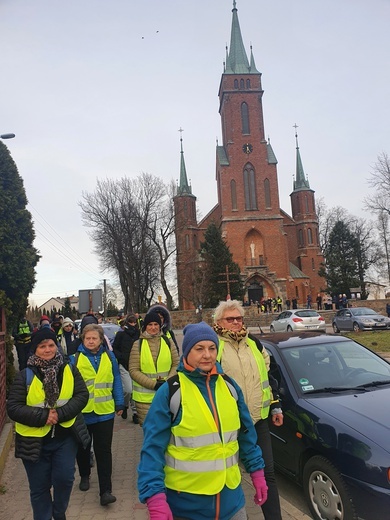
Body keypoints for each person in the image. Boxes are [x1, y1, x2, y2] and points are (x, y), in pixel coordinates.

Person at [138, 321, 268, 520]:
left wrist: (257, 473)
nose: (207, 355)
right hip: (186, 507)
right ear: (187, 352)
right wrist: (154, 497)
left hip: (232, 504)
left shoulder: (230, 387)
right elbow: (152, 449)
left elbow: (246, 436)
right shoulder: (172, 392)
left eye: (212, 348)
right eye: (199, 349)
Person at [6, 328, 90, 520]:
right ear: (34, 349)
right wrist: (43, 416)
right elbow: (14, 408)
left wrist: (58, 414)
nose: (47, 349)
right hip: (34, 442)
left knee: (65, 479)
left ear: (57, 346)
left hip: (65, 437)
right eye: (42, 346)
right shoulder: (24, 375)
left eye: (51, 345)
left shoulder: (69, 368)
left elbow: (81, 395)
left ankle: (59, 513)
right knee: (39, 488)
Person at [213, 300, 283, 520]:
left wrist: (275, 405)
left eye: (239, 318)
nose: (235, 323)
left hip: (257, 419)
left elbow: (268, 377)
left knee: (267, 474)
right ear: (218, 321)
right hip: (227, 422)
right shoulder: (214, 345)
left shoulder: (253, 343)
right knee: (228, 474)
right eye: (230, 319)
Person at [71, 323, 125, 506]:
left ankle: (105, 491)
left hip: (105, 412)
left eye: (95, 338)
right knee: (83, 447)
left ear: (101, 340)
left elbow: (116, 379)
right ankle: (85, 474)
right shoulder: (74, 359)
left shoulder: (109, 357)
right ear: (83, 339)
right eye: (88, 338)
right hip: (83, 413)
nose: (91, 341)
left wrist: (120, 402)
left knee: (104, 452)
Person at [129, 310, 179, 425]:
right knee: (149, 431)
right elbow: (133, 370)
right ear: (145, 326)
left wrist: (167, 382)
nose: (153, 327)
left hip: (166, 394)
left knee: (167, 430)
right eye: (150, 325)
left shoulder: (168, 341)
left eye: (156, 324)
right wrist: (153, 384)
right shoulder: (138, 344)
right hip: (144, 399)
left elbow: (176, 364)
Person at [112, 313, 140, 423]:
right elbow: (115, 348)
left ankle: (135, 413)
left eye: (134, 322)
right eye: (130, 322)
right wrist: (121, 357)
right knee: (128, 390)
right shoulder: (120, 335)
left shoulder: (138, 334)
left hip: (137, 365)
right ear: (127, 322)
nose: (132, 324)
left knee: (135, 390)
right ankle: (124, 405)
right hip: (124, 365)